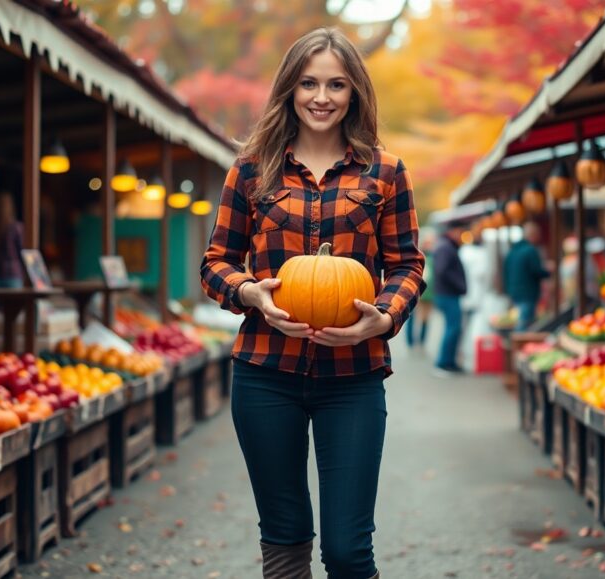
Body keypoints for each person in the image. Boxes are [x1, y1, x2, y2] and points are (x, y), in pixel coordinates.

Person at [199, 28, 425, 579]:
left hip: (353, 376)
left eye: (336, 84)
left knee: (348, 550)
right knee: (284, 537)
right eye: (308, 83)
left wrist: (382, 318)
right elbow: (215, 263)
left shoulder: (385, 171)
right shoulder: (251, 169)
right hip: (264, 374)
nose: (321, 97)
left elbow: (407, 266)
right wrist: (250, 292)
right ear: (289, 89)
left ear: (354, 92)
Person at [431, 227, 467, 374]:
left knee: (452, 328)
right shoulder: (446, 247)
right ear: (453, 231)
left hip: (446, 293)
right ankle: (444, 362)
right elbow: (442, 270)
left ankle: (449, 361)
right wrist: (460, 285)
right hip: (448, 294)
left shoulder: (444, 245)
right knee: (453, 328)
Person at [504, 222, 550, 330]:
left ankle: (517, 338)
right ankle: (518, 339)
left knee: (520, 319)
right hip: (527, 292)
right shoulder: (530, 250)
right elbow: (536, 271)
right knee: (524, 322)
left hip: (514, 292)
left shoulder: (513, 250)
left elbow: (506, 271)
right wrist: (549, 271)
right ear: (533, 235)